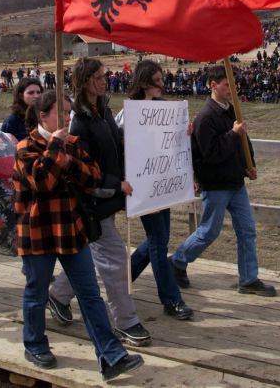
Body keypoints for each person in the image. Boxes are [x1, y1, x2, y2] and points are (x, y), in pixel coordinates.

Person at [13, 90, 144, 379]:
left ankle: (111, 356)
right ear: (42, 116)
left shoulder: (72, 143)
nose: (68, 118)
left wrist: (66, 159)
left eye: (70, 113)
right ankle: (34, 344)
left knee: (89, 294)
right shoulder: (25, 147)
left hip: (71, 227)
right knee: (36, 292)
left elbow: (93, 177)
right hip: (38, 231)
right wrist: (58, 151)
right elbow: (42, 182)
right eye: (61, 113)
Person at [47, 57, 151, 347]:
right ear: (84, 81)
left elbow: (117, 147)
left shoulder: (102, 112)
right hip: (93, 204)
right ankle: (126, 321)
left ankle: (57, 294)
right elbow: (81, 169)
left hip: (108, 201)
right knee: (116, 260)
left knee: (97, 256)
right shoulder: (79, 122)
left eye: (105, 76)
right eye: (97, 77)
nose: (103, 81)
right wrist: (113, 184)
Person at [169, 65, 277, 297]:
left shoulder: (231, 110)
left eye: (233, 84)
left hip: (235, 183)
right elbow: (212, 154)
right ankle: (177, 261)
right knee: (209, 231)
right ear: (213, 85)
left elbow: (243, 142)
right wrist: (232, 134)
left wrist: (250, 166)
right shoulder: (206, 117)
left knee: (247, 230)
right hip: (216, 184)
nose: (232, 88)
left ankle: (248, 279)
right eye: (227, 84)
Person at [118, 60, 193, 320]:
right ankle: (171, 300)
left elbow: (171, 143)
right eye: (157, 80)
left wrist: (185, 133)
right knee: (159, 244)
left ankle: (122, 277)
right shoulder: (129, 113)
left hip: (162, 184)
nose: (162, 85)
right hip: (143, 186)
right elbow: (121, 147)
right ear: (144, 81)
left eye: (163, 80)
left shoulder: (165, 109)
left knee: (156, 240)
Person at [1, 77, 43, 142]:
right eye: (31, 93)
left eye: (38, 92)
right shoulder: (12, 122)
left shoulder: (45, 116)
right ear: (21, 96)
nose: (36, 96)